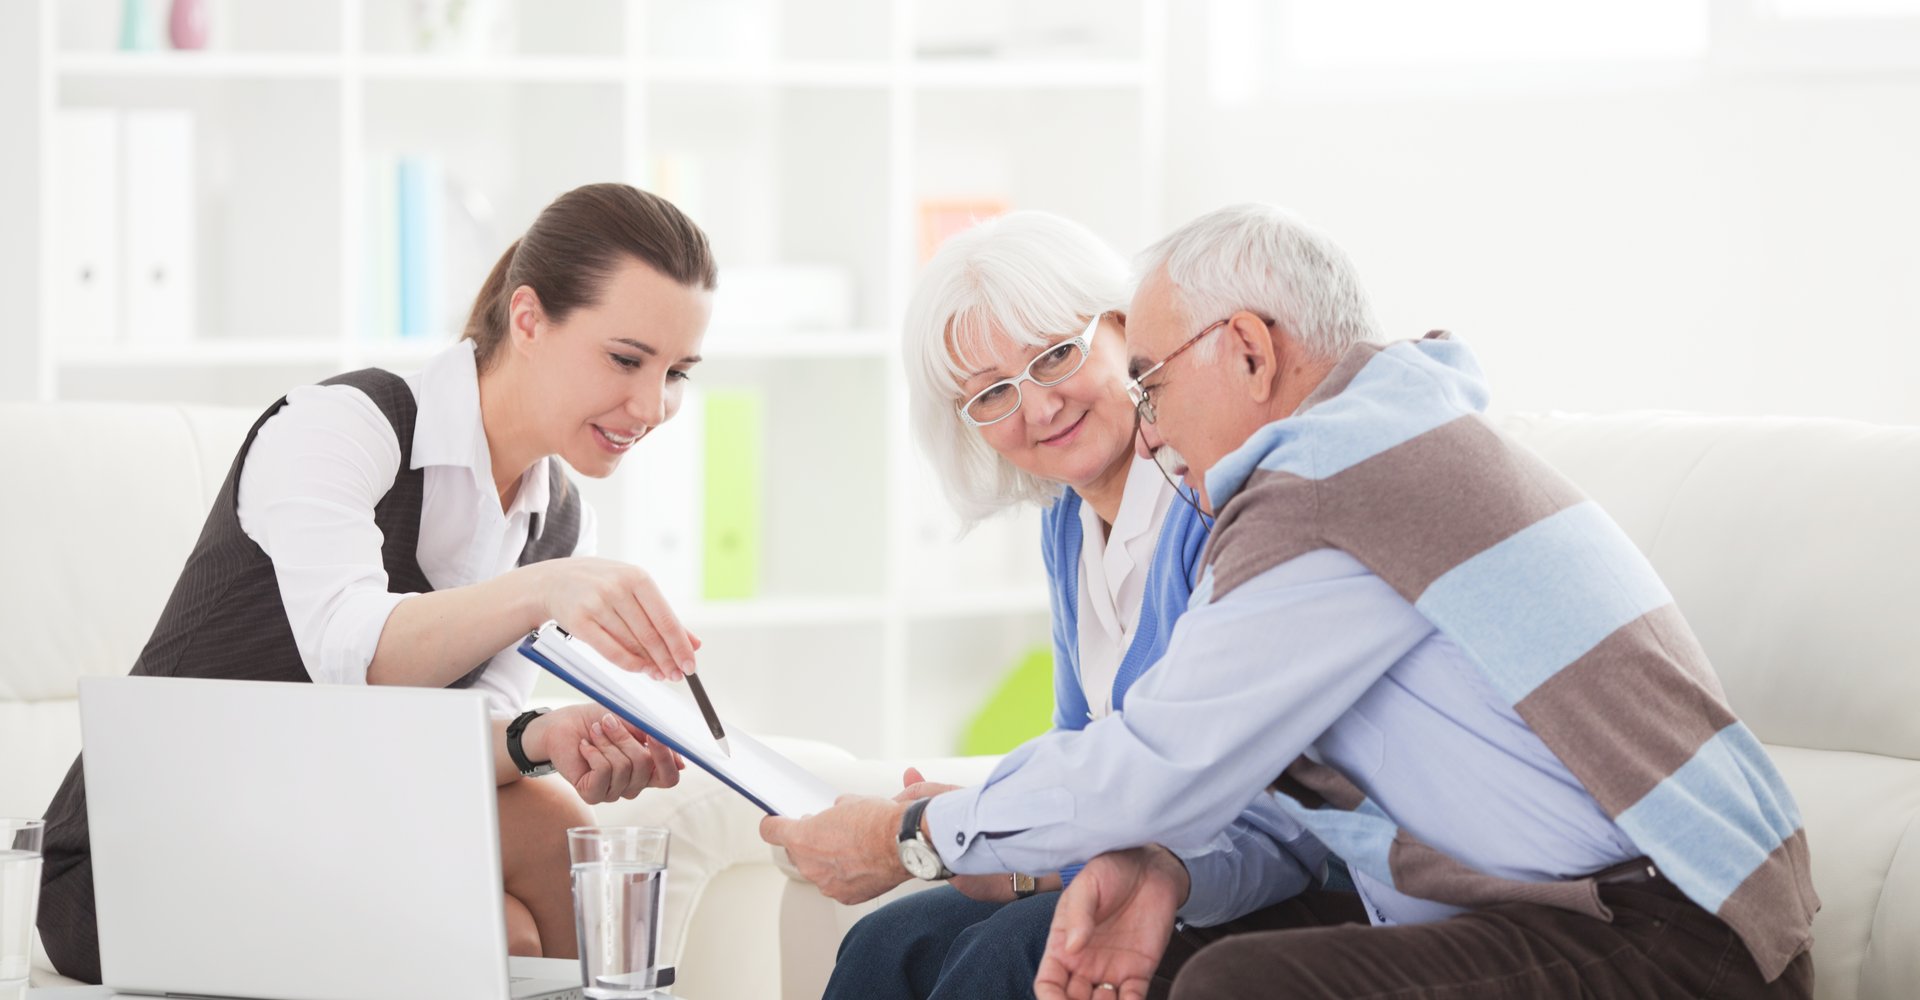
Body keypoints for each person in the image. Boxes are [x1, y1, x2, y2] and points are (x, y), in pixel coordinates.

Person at [764, 203, 1816, 999]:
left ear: (1252, 351)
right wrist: (1155, 870)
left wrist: (911, 829)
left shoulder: (1327, 487)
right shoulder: (1368, 450)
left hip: (1675, 931)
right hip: (1551, 902)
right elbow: (1253, 789)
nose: (1146, 418)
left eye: (1151, 380)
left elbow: (1160, 762)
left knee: (1235, 987)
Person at [39, 182, 718, 984]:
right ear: (528, 318)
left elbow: (447, 746)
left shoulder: (559, 524)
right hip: (150, 851)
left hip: (336, 821)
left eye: (677, 372)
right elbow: (356, 665)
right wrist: (545, 593)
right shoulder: (345, 426)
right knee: (507, 925)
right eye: (626, 359)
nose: (652, 405)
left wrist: (542, 737)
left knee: (539, 842)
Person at [823, 211, 1223, 1000]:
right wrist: (988, 839)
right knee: (884, 943)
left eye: (1056, 356)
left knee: (1007, 956)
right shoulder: (1067, 519)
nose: (1037, 409)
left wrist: (992, 833)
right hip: (1116, 858)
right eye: (994, 394)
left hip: (1210, 868)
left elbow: (1188, 769)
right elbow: (1077, 742)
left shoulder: (1202, 497)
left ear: (1121, 329)